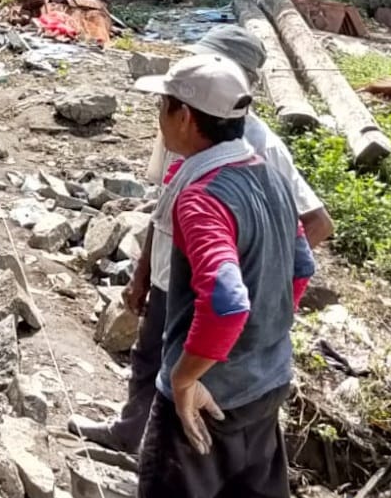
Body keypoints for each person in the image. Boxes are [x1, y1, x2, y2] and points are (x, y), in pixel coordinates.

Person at [70, 24, 333, 454]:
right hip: (172, 286)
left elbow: (312, 226)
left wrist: (259, 302)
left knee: (186, 392)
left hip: (205, 302)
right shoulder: (191, 137)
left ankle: (170, 463)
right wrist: (143, 275)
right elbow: (163, 209)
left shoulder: (258, 149)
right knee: (149, 363)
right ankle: (132, 435)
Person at [130, 54, 315, 498]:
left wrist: (187, 376)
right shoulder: (268, 175)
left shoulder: (202, 197)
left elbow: (228, 302)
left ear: (185, 117)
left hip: (209, 400)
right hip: (266, 385)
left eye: (163, 106)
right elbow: (300, 268)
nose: (160, 118)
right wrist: (259, 347)